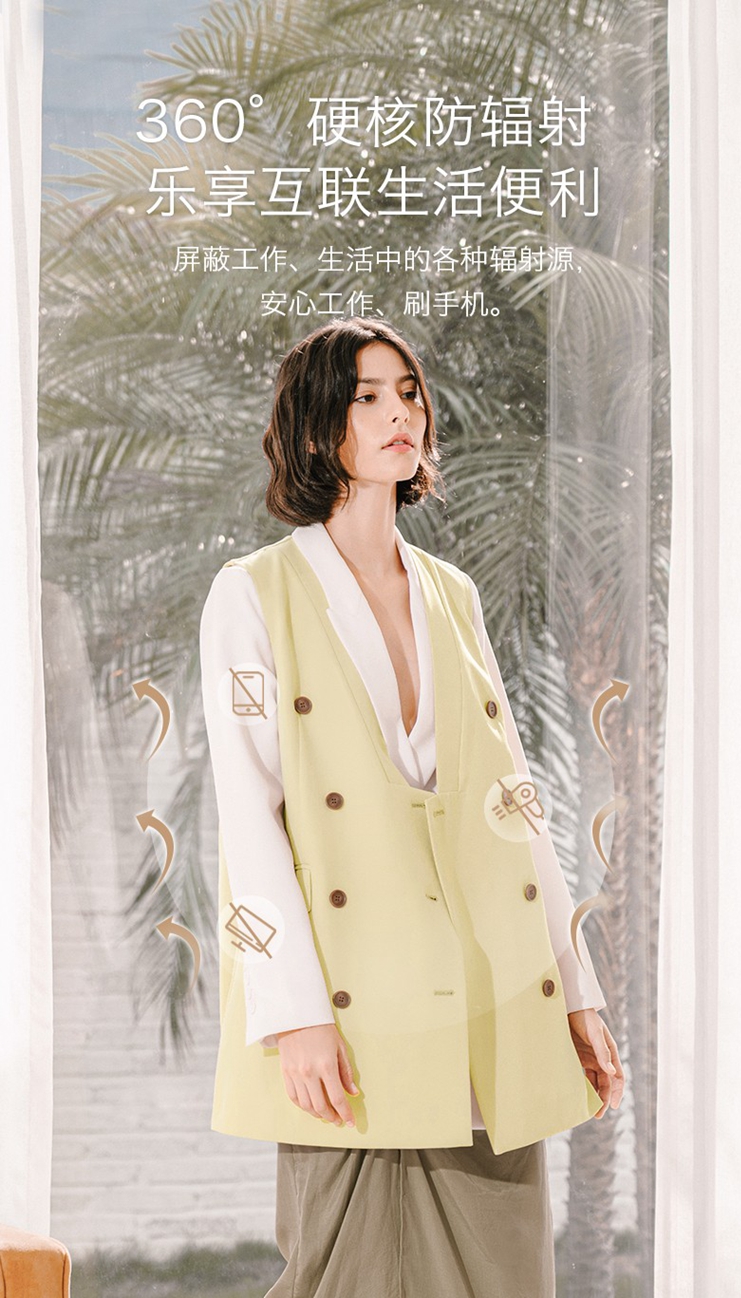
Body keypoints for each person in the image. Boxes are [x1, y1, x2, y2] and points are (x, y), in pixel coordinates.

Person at [199, 316, 625, 1298]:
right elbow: (250, 818)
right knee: (346, 1267)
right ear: (319, 426)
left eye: (409, 393)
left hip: (491, 984)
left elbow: (514, 803)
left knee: (507, 1267)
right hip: (357, 1004)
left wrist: (577, 989)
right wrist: (294, 1014)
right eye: (368, 397)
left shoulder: (453, 594)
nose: (402, 413)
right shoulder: (252, 595)